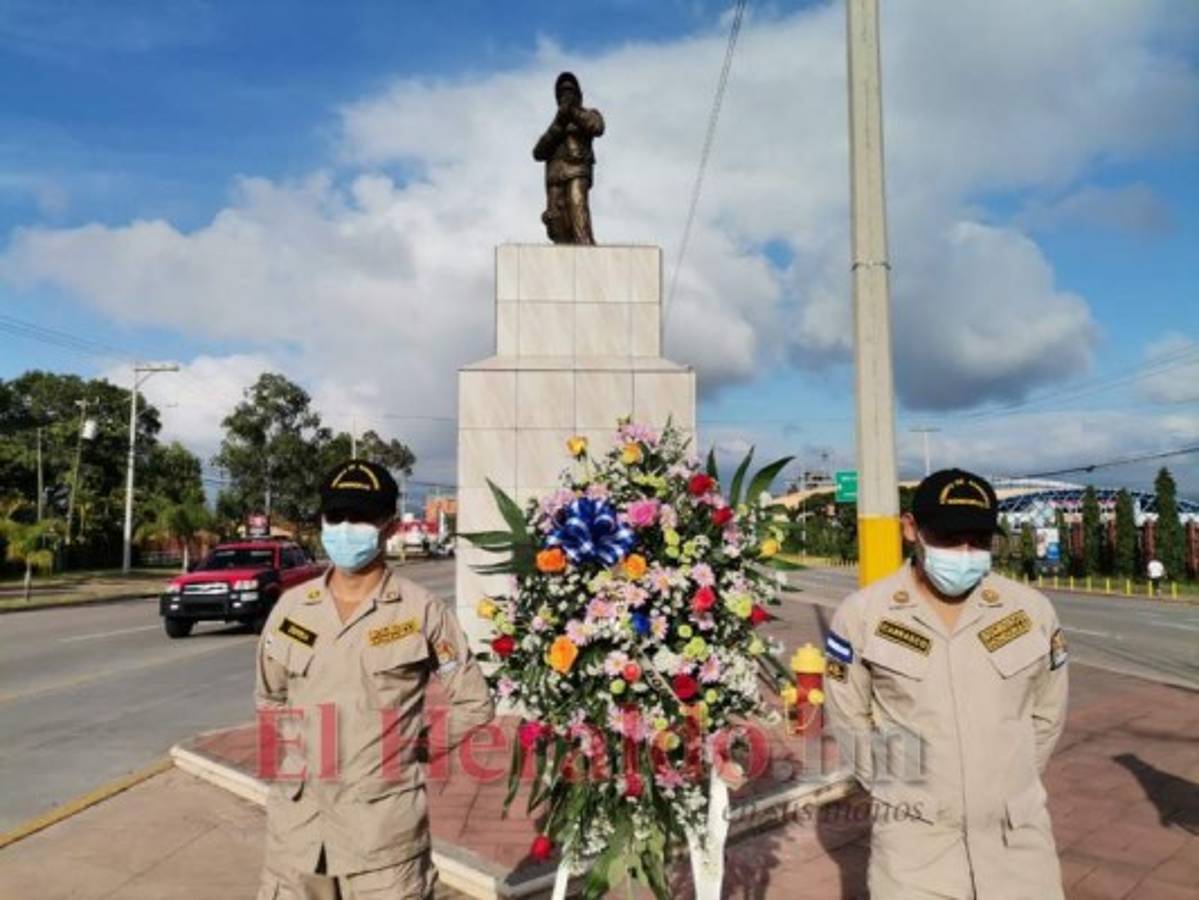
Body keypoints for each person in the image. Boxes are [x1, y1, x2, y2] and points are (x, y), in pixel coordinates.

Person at [255, 459, 495, 899]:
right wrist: (300, 759)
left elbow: (475, 703)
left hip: (382, 841)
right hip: (298, 836)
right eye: (336, 516)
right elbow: (270, 697)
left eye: (361, 517)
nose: (346, 527)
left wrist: (415, 746)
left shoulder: (420, 612)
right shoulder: (291, 609)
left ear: (388, 526)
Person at [825, 468, 1069, 899]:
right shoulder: (863, 616)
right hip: (916, 851)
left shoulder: (1030, 611)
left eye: (979, 538)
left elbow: (1047, 711)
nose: (965, 551)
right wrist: (893, 788)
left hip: (1018, 843)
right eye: (947, 536)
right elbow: (848, 715)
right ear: (910, 529)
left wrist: (1008, 780)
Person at [532, 71, 605, 244]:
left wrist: (572, 112)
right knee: (557, 223)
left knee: (578, 211)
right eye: (562, 93)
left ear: (578, 95)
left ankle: (586, 250)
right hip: (555, 177)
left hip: (577, 169)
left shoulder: (589, 114)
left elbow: (597, 127)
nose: (566, 95)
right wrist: (558, 124)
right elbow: (538, 152)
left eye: (570, 91)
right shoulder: (557, 123)